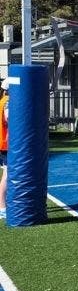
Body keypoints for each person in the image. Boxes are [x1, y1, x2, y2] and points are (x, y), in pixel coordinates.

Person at [0, 78, 9, 220]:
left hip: (4, 143)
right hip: (7, 144)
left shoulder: (3, 100)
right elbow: (9, 119)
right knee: (8, 175)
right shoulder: (7, 101)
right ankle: (2, 207)